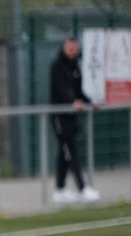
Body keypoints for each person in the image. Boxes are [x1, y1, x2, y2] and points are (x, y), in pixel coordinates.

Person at [50, 37, 100, 204]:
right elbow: (61, 90)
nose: (73, 52)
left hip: (71, 117)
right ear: (64, 48)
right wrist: (72, 102)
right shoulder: (57, 66)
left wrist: (89, 102)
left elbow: (78, 91)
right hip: (59, 117)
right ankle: (82, 188)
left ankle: (60, 189)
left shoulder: (75, 66)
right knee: (70, 151)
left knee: (64, 152)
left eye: (75, 49)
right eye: (70, 49)